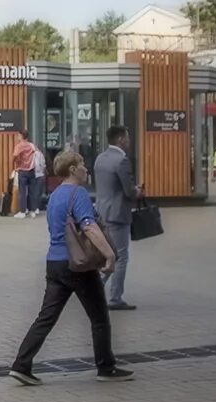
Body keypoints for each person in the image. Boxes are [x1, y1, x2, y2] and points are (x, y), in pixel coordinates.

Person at [9, 150, 134, 385]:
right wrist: (109, 255)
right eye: (83, 165)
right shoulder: (79, 193)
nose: (86, 169)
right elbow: (89, 226)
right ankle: (106, 367)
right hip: (78, 265)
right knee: (99, 317)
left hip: (54, 263)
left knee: (46, 317)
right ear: (73, 170)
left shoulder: (55, 195)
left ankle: (21, 364)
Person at [95, 125, 141, 310]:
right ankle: (115, 298)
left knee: (106, 253)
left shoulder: (100, 158)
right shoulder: (122, 160)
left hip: (102, 213)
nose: (129, 142)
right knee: (120, 256)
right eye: (127, 138)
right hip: (118, 214)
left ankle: (91, 289)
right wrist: (137, 191)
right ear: (121, 139)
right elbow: (128, 191)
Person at [12, 130, 37, 218]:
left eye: (18, 135)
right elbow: (37, 153)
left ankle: (23, 211)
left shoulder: (19, 146)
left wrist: (15, 161)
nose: (17, 137)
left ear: (21, 136)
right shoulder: (32, 145)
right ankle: (32, 211)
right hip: (32, 170)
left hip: (22, 170)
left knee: (22, 192)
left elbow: (15, 155)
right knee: (32, 191)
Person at [31, 142, 47, 218]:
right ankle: (37, 207)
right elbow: (44, 165)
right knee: (39, 193)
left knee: (34, 193)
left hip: (36, 175)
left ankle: (34, 208)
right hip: (41, 175)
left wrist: (35, 171)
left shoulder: (35, 154)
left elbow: (36, 164)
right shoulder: (41, 154)